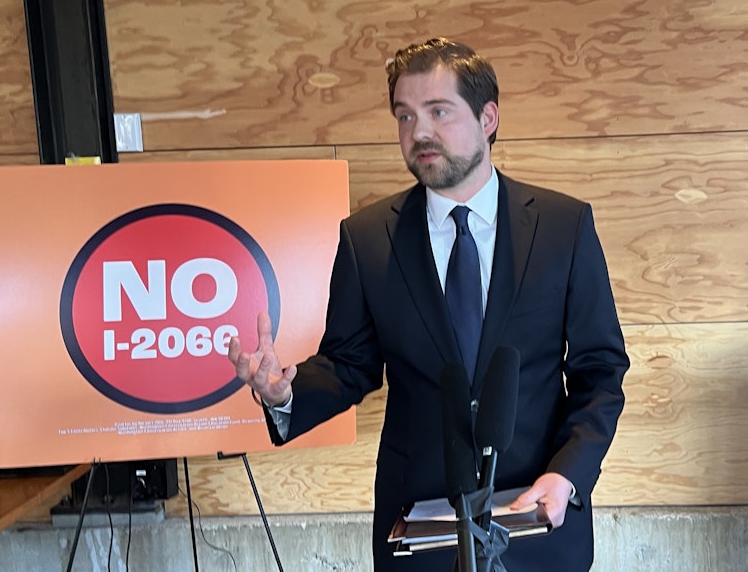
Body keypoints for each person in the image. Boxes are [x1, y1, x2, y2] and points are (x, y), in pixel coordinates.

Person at [228, 37, 629, 571]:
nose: (419, 132)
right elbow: (351, 364)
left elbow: (599, 372)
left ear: (488, 117)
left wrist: (568, 474)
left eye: (438, 111)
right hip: (416, 532)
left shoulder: (563, 227)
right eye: (404, 116)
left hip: (539, 517)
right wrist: (284, 394)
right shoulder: (367, 238)